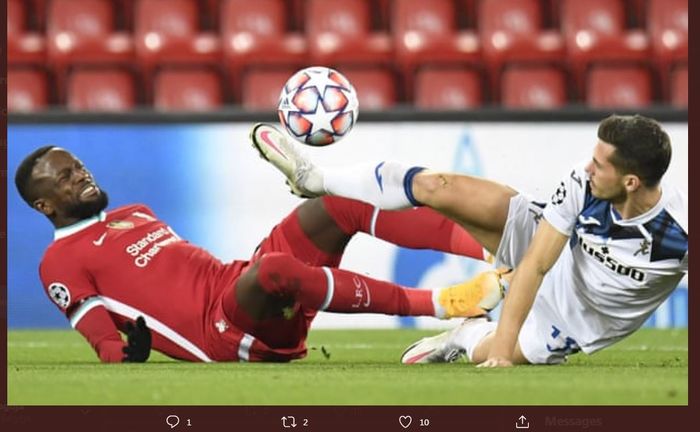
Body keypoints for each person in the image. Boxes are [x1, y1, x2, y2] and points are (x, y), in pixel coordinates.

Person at [249, 114, 688, 367]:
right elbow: (534, 264)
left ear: (631, 181)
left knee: (500, 351)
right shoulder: (585, 181)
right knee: (437, 186)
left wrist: (497, 352)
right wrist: (502, 352)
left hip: (581, 317)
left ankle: (466, 334)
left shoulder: (680, 231)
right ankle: (318, 179)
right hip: (554, 252)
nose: (587, 168)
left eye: (600, 164)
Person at [13, 146, 507, 363]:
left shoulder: (135, 212)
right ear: (44, 205)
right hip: (223, 332)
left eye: (76, 166)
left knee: (337, 204)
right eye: (65, 177)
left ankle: (495, 248)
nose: (80, 175)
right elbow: (105, 344)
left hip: (240, 285)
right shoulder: (58, 263)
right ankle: (446, 303)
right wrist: (128, 353)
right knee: (273, 270)